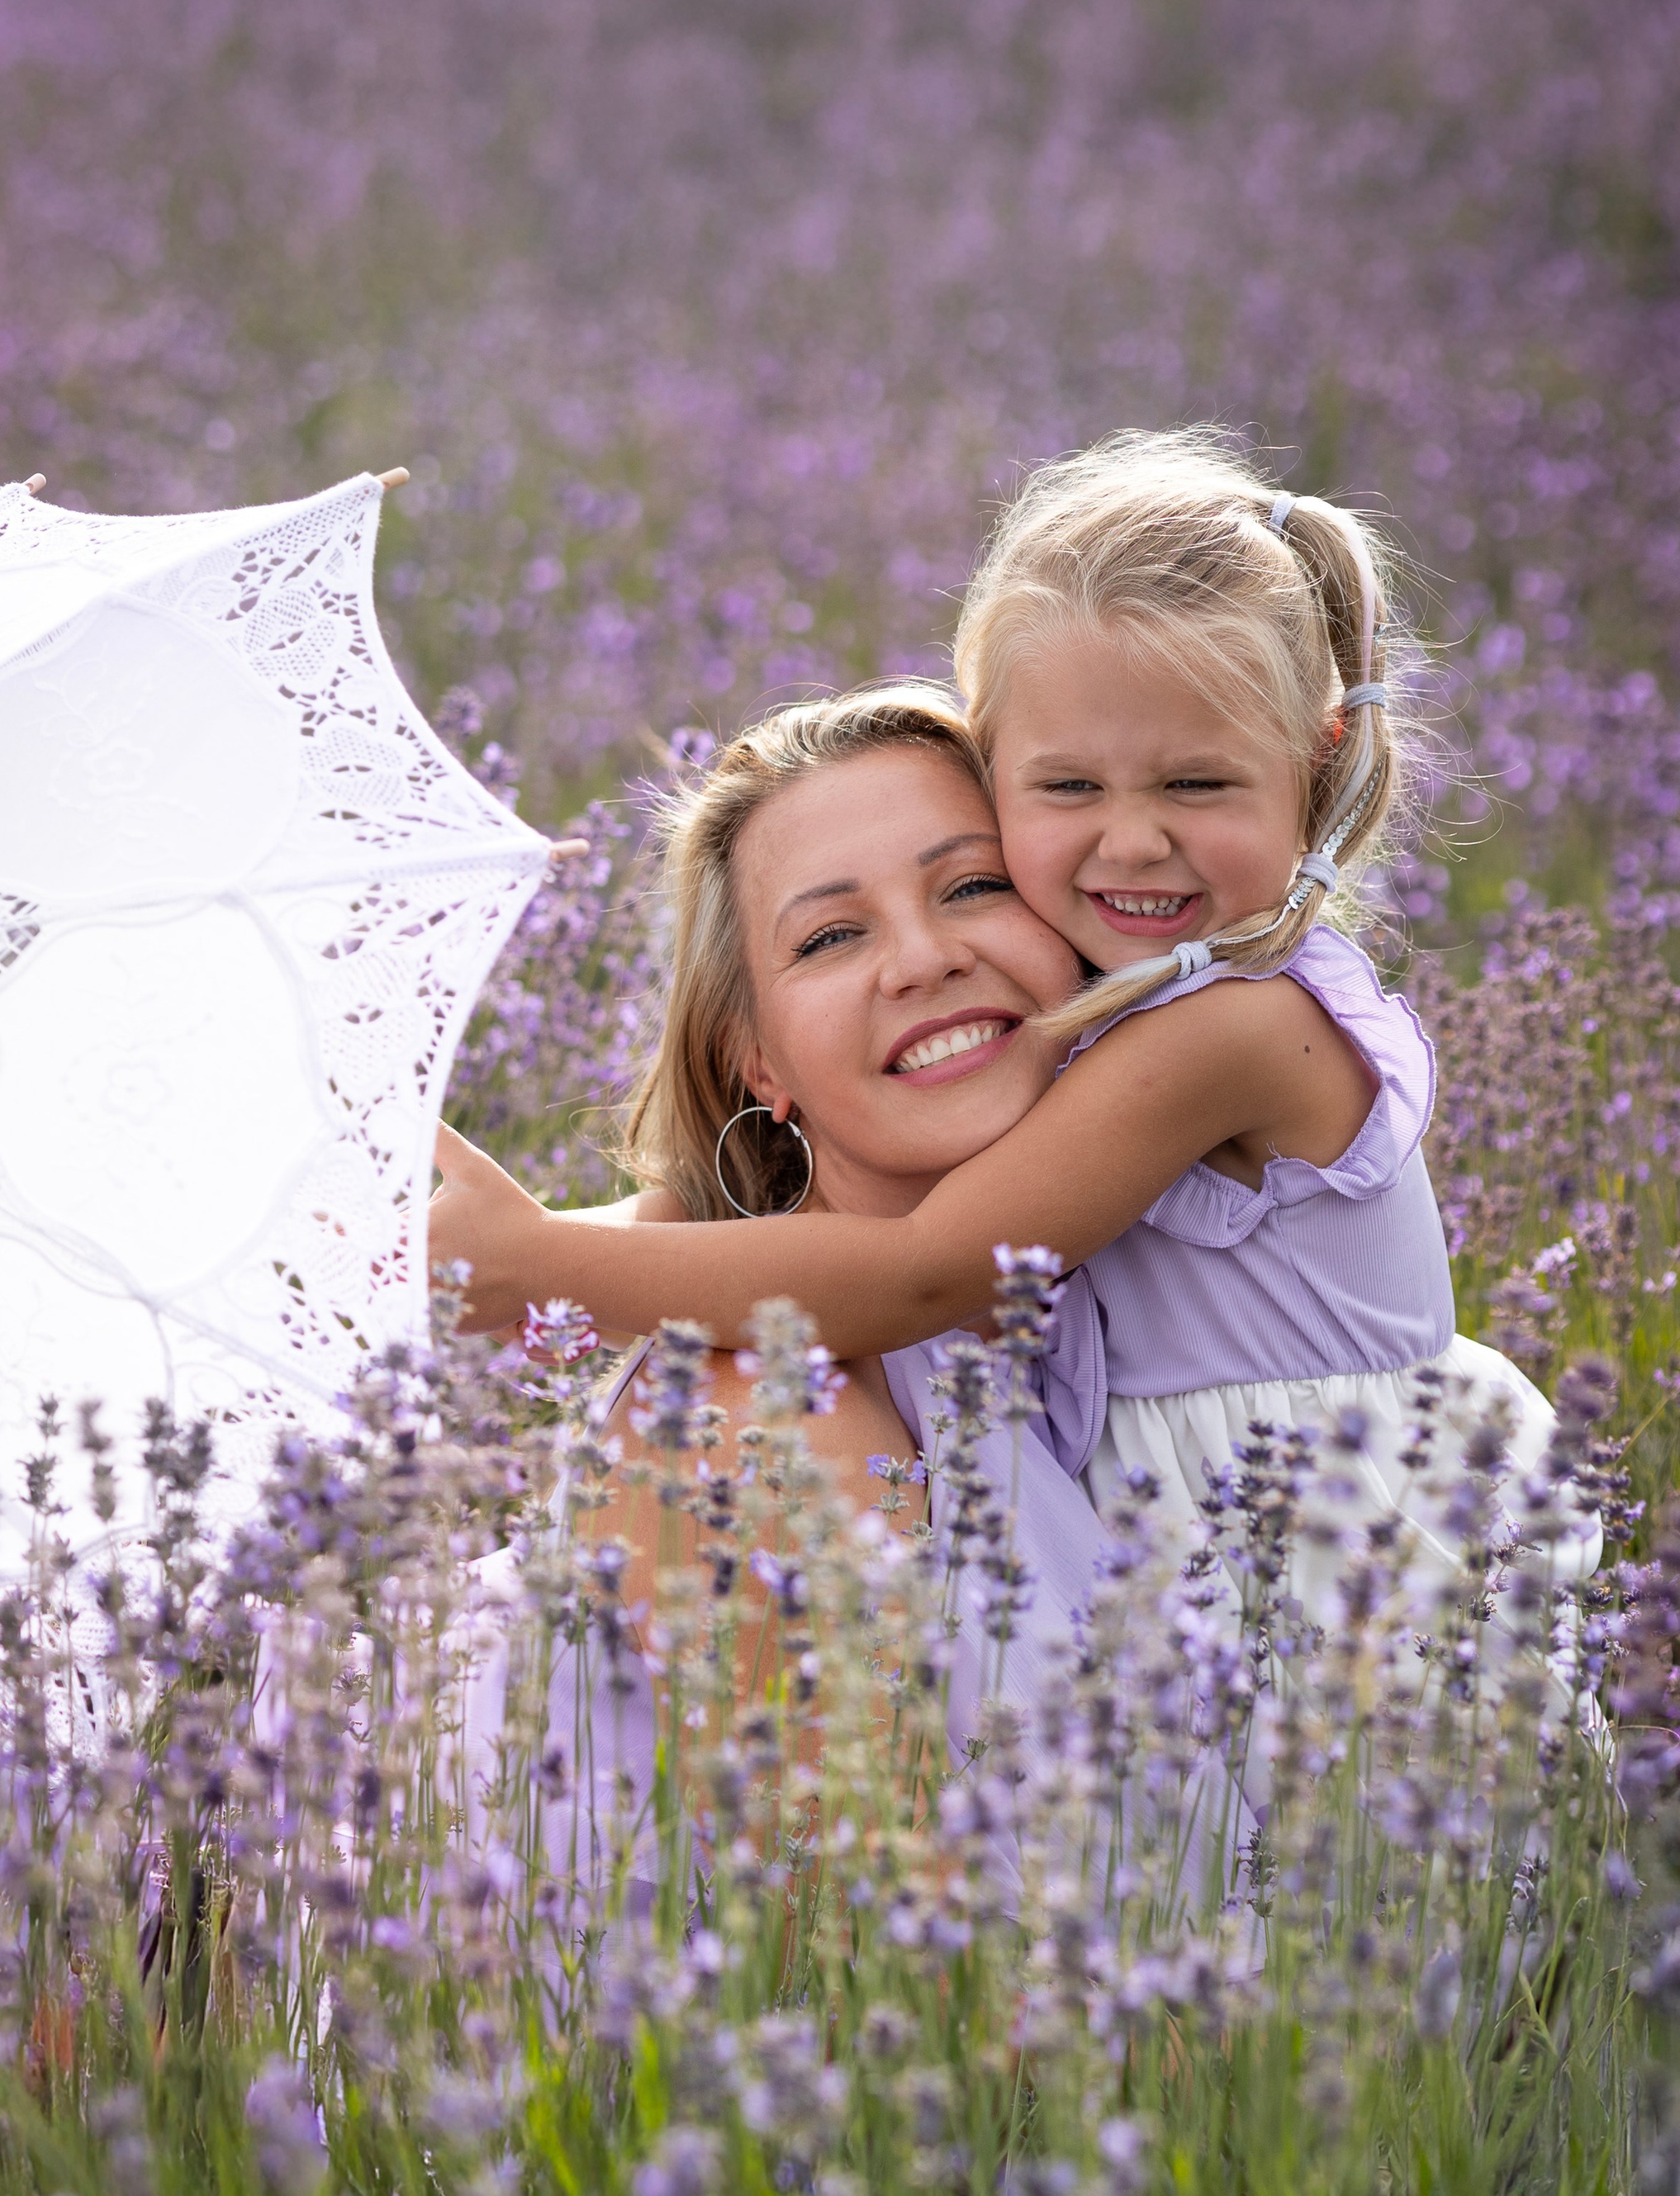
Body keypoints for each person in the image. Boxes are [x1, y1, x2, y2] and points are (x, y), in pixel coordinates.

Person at [433, 429, 1597, 1648]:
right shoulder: (1107, 983)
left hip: (1331, 1619)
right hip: (1199, 1587)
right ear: (997, 772)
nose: (1134, 844)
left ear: (1320, 761)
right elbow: (776, 1216)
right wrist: (499, 1245)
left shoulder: (1237, 1025)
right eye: (1068, 790)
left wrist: (540, 1269)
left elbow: (924, 1265)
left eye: (1196, 786)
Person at [453, 682, 1127, 1939]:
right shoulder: (749, 1418)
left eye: (975, 886)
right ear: (757, 1062)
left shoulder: (1158, 1296)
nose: (926, 958)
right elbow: (911, 1980)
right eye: (829, 938)